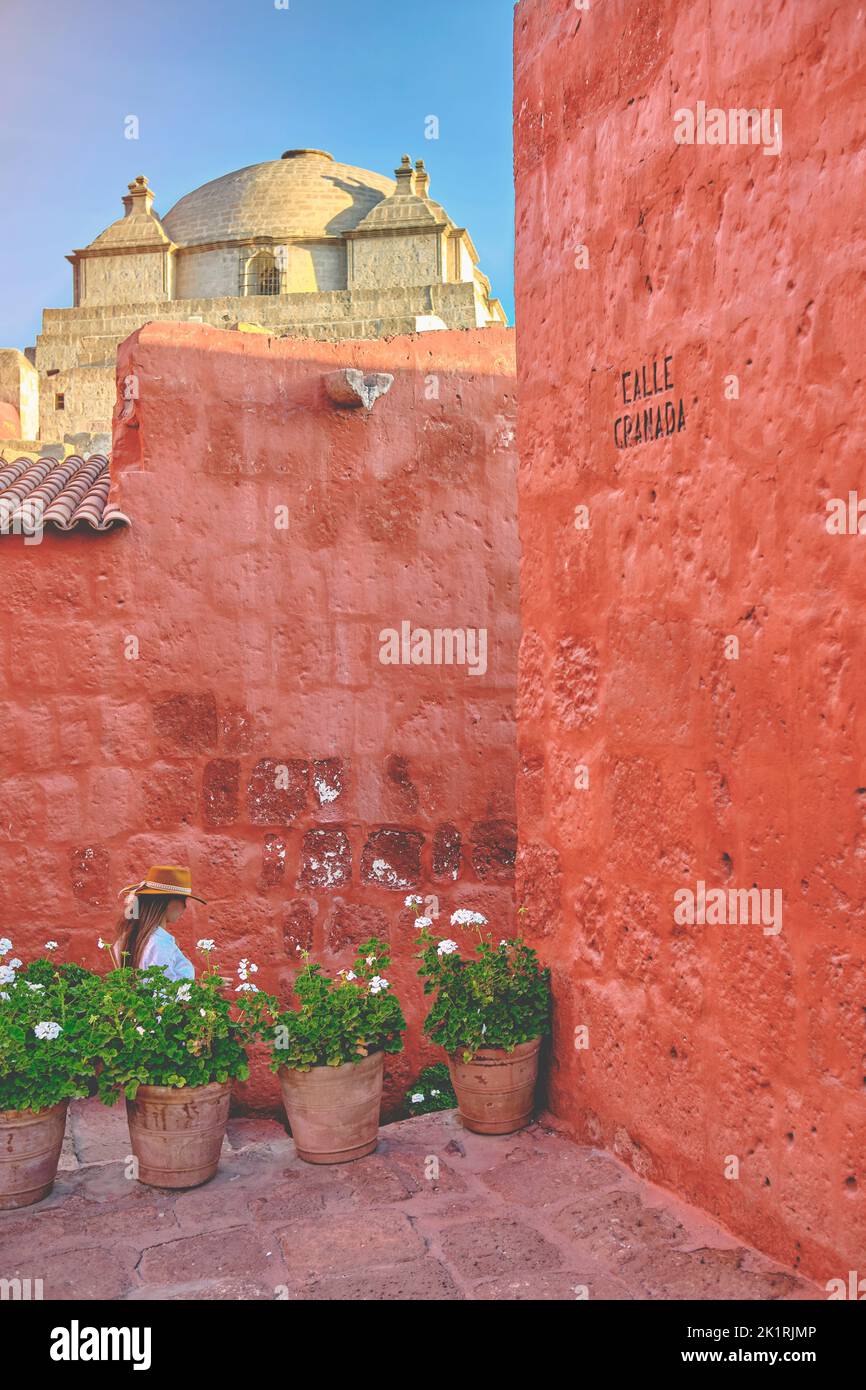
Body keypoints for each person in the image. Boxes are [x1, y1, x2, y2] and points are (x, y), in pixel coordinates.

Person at [111, 865, 206, 980]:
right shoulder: (160, 943)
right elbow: (164, 995)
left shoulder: (126, 938)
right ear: (169, 902)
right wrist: (207, 989)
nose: (185, 907)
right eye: (183, 900)